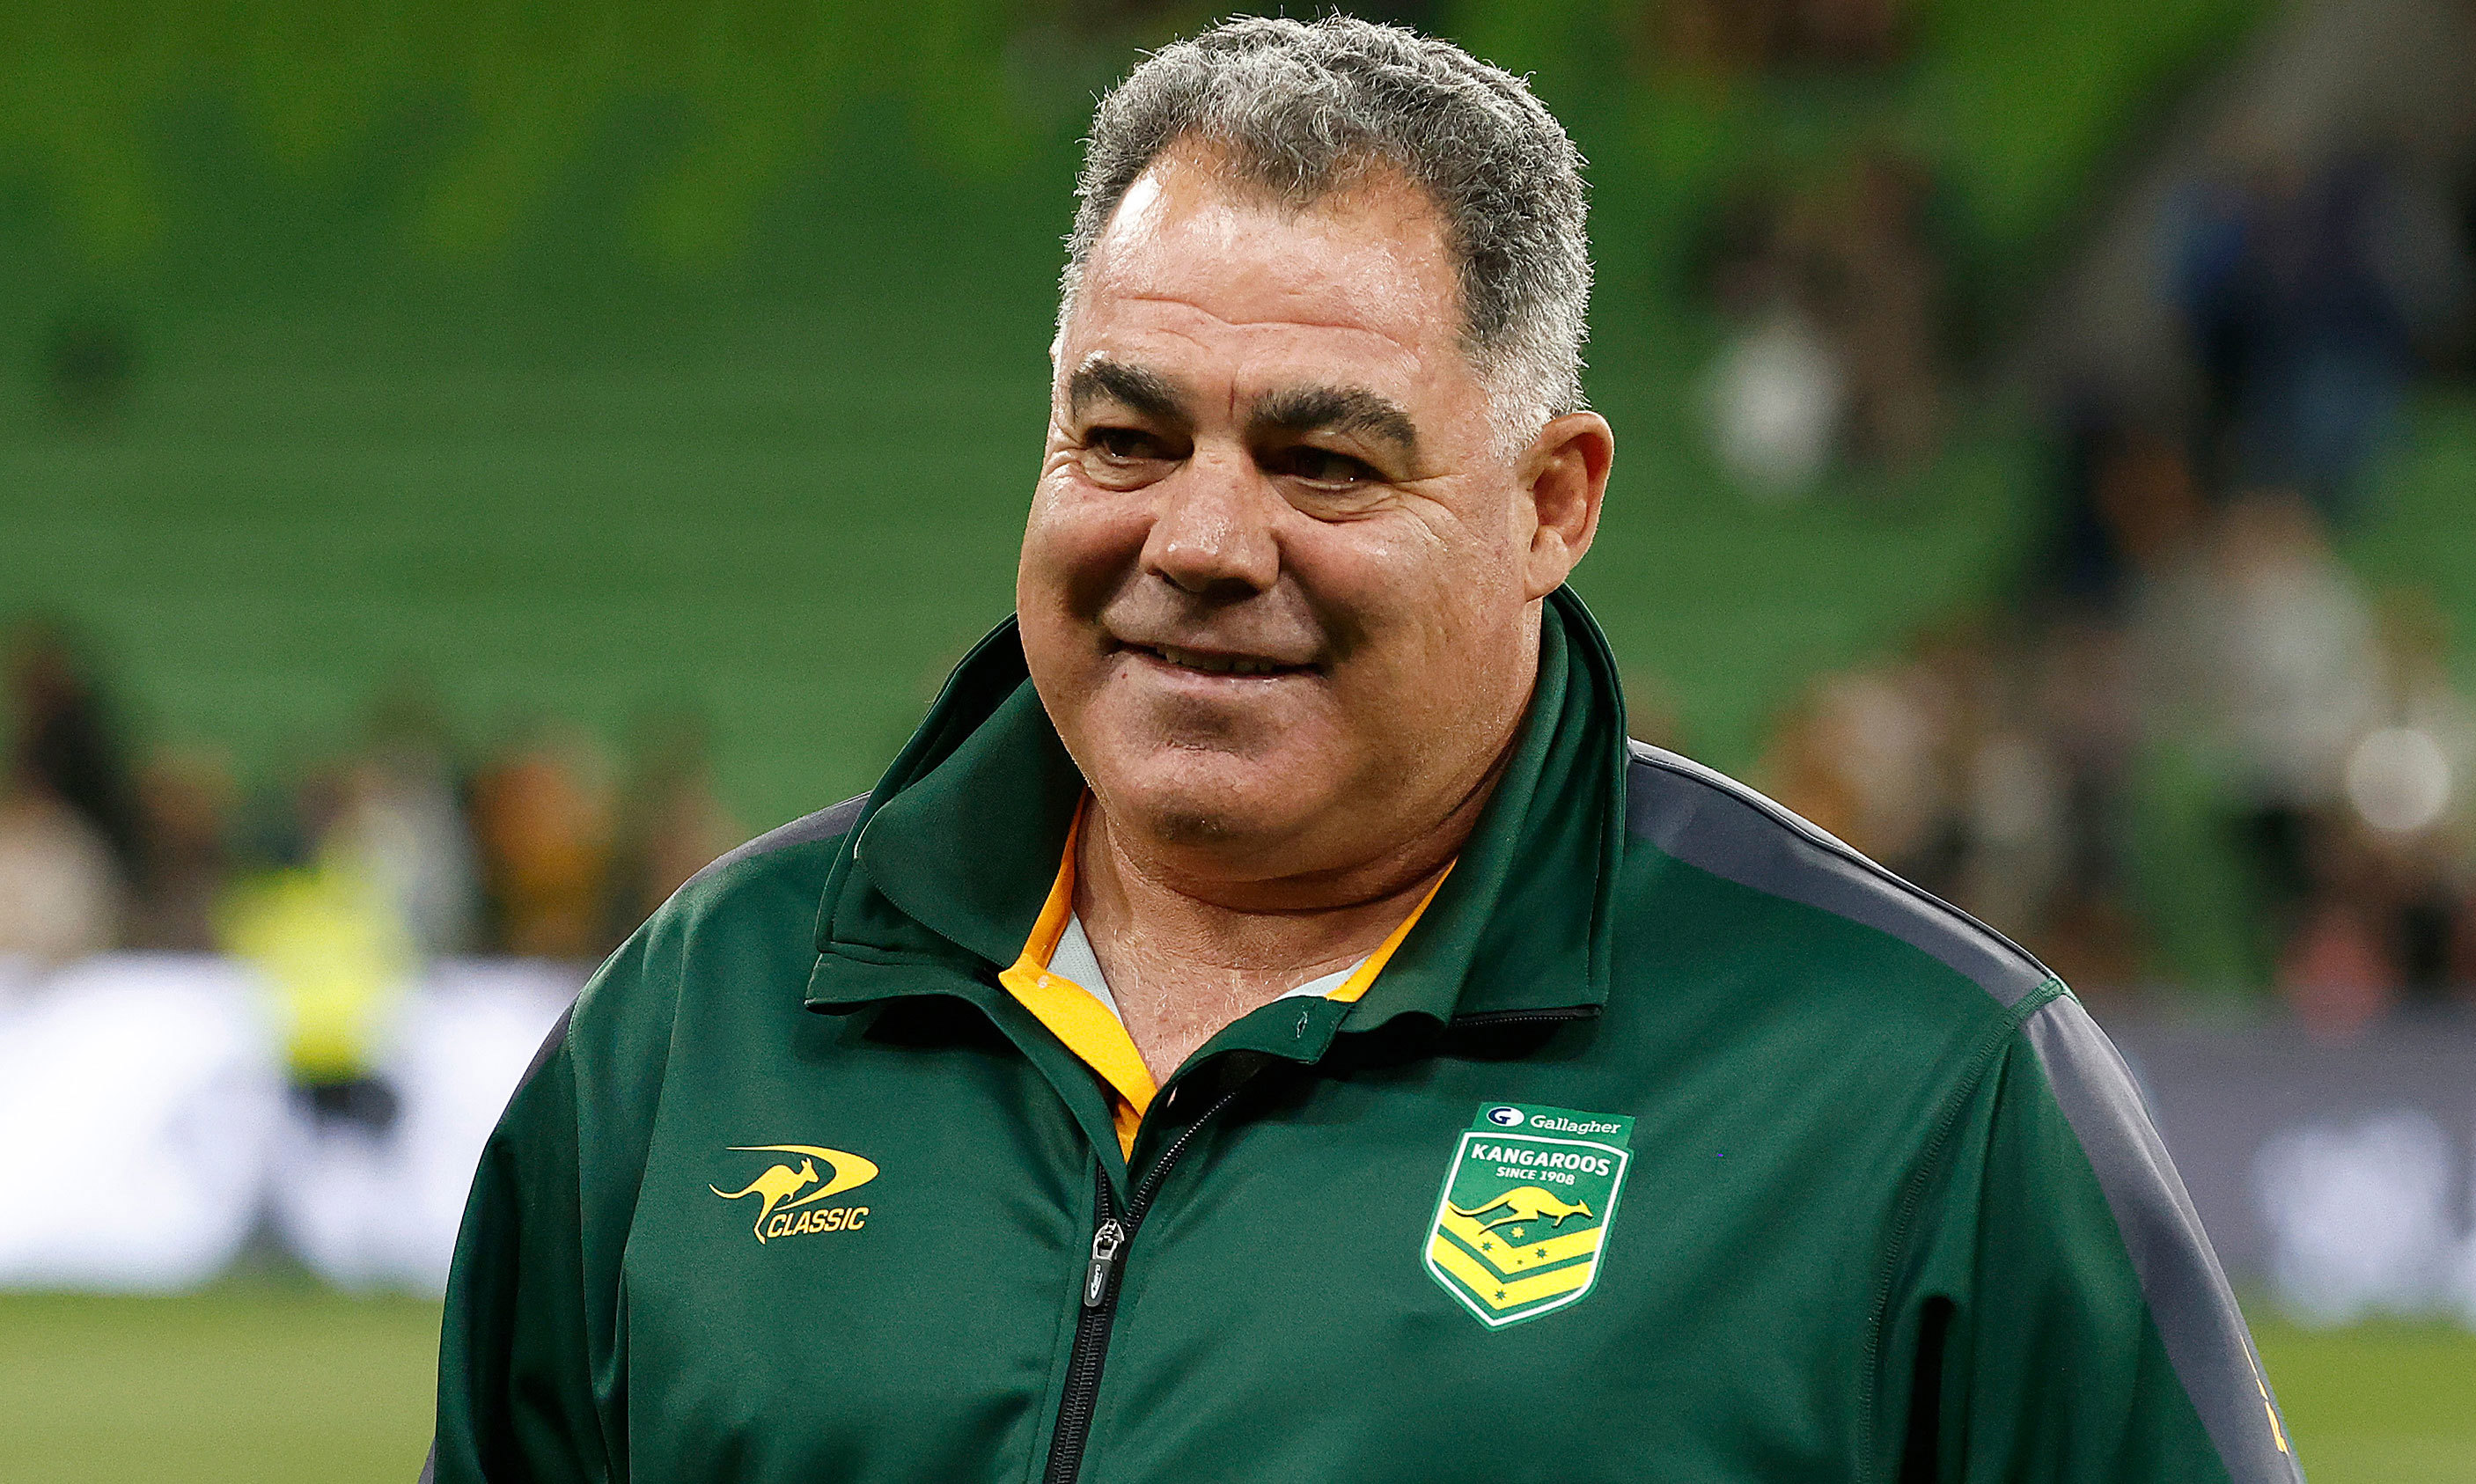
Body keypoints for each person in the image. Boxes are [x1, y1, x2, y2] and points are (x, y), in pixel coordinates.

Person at [430, 18, 2299, 1484]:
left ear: (1552, 503)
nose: (1202, 541)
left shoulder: (1912, 1089)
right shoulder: (712, 1012)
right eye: (1126, 437)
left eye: (1323, 461)